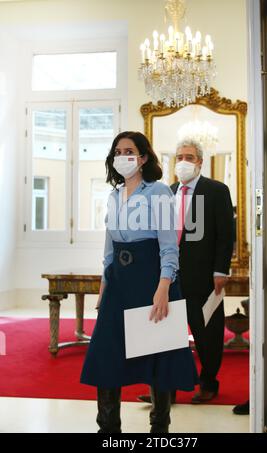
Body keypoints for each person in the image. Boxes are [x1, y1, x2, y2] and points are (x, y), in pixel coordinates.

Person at [80, 131, 197, 433]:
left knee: (157, 354)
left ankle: (159, 428)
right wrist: (103, 288)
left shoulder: (158, 192)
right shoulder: (113, 195)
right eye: (117, 151)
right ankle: (108, 430)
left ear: (143, 157)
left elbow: (169, 245)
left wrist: (164, 288)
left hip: (151, 279)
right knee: (106, 356)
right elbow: (109, 248)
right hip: (118, 282)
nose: (122, 156)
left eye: (129, 151)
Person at [138, 137, 234, 404]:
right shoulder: (166, 192)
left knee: (207, 334)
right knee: (167, 333)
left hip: (204, 277)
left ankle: (208, 383)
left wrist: (220, 270)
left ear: (200, 162)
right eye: (179, 157)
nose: (183, 162)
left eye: (189, 157)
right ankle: (165, 388)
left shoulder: (216, 190)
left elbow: (226, 235)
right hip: (170, 277)